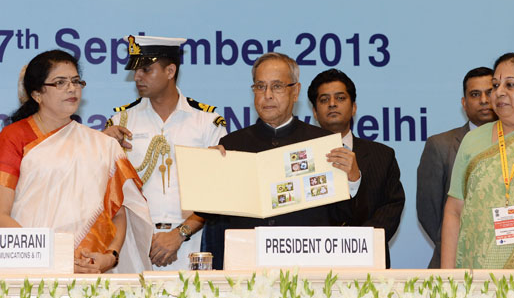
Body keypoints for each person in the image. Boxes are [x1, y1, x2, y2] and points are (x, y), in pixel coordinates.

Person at [201, 53, 361, 269]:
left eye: (277, 86)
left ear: (295, 92)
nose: (267, 95)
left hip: (307, 270)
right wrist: (208, 176)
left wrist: (352, 180)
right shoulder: (232, 144)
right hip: (246, 270)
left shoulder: (322, 143)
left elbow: (344, 217)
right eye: (260, 86)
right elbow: (211, 216)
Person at [0, 50, 153, 273]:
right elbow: (1, 215)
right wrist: (52, 257)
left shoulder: (102, 145)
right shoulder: (14, 137)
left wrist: (110, 257)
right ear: (37, 94)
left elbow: (120, 212)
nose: (71, 88)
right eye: (60, 83)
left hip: (89, 269)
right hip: (29, 270)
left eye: (75, 81)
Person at [104, 35, 227, 270]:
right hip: (134, 243)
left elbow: (216, 192)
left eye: (146, 70)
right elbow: (106, 191)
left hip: (191, 244)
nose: (137, 77)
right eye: (136, 70)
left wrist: (179, 235)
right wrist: (100, 147)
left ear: (170, 71)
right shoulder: (120, 121)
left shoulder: (207, 122)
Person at [441, 53, 514, 269]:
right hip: (477, 274)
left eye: (510, 85)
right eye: (496, 85)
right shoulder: (473, 140)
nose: (499, 92)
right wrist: (447, 277)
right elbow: (454, 210)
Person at [307, 68, 405, 268]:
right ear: (315, 113)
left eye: (340, 98)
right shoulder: (301, 157)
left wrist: (354, 243)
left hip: (368, 263)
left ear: (354, 108)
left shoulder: (383, 155)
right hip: (314, 262)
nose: (332, 104)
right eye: (324, 100)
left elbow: (391, 209)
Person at [417, 67, 497, 268]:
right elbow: (429, 211)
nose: (484, 100)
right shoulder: (440, 144)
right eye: (475, 94)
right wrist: (457, 241)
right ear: (464, 103)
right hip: (454, 260)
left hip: (507, 257)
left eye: (490, 92)